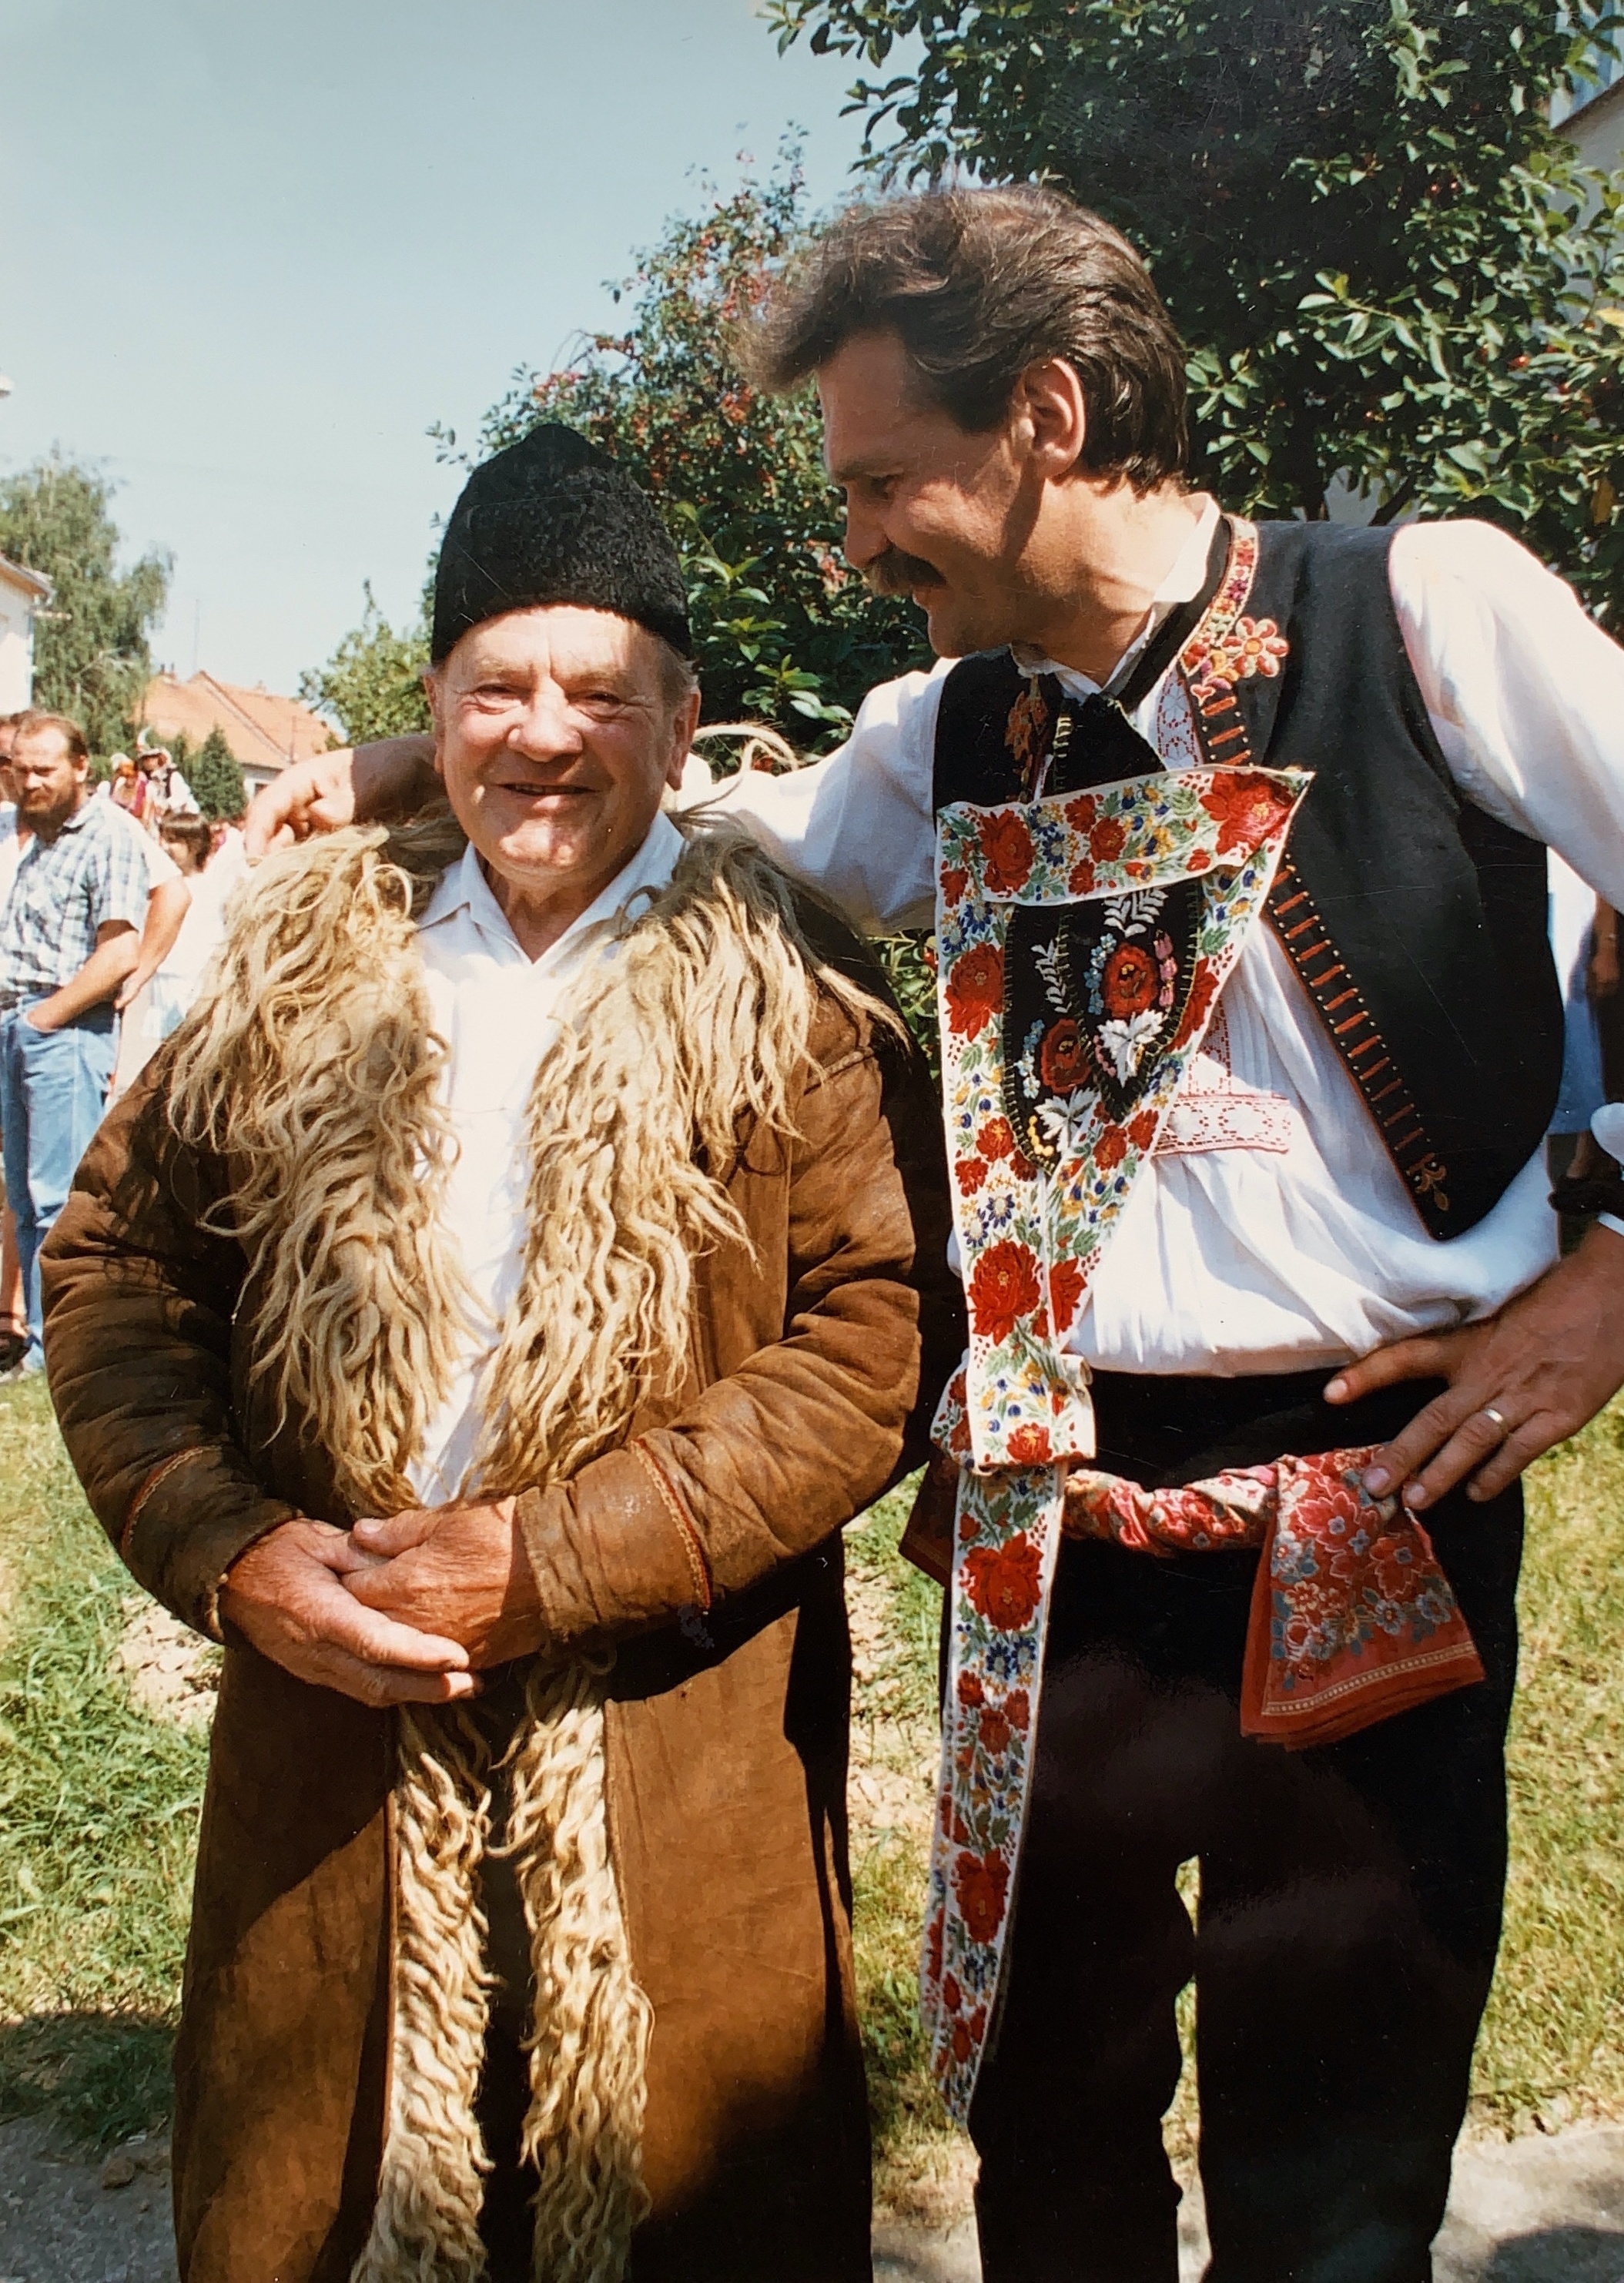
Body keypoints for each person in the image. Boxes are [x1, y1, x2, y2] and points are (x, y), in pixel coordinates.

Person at [253, 186, 1624, 2283]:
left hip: (1381, 1489)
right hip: (1047, 1517)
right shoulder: (942, 733)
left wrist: (1612, 1278)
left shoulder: (1426, 611)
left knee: (1337, 2142)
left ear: (1047, 416)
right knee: (1046, 2107)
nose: (855, 542)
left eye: (885, 481)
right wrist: (426, 759)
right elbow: (708, 833)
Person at [43, 426, 956, 2283]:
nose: (545, 735)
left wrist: (555, 1558)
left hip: (674, 1727)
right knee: (322, 2199)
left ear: (679, 723)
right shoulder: (289, 961)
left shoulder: (791, 988)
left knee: (684, 2208)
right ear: (435, 708)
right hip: (335, 1717)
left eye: (599, 693)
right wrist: (233, 1550)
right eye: (497, 686)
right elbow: (119, 1267)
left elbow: (875, 1334)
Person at [0, 712, 153, 1371]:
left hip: (62, 1030)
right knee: (22, 1196)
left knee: (57, 1197)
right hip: (21, 1024)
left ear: (81, 767)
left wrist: (46, 1019)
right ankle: (38, 1344)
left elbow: (120, 951)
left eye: (45, 770)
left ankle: (58, 1350)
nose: (31, 782)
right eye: (21, 770)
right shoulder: (40, 840)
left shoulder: (108, 834)